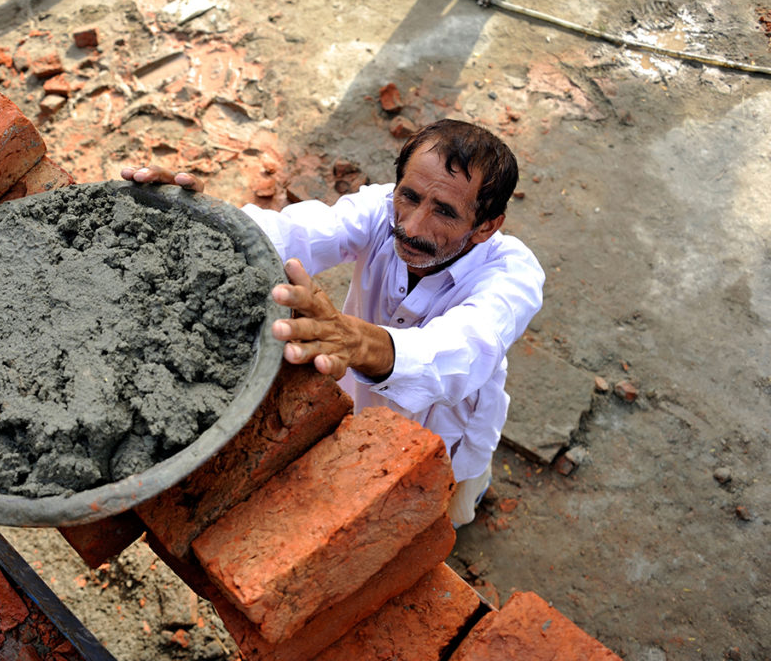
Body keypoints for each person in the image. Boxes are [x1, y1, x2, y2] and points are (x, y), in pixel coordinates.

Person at [121, 119, 544, 525]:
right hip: (358, 400)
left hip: (449, 431)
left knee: (445, 507)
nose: (412, 226)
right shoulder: (380, 211)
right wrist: (205, 223)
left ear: (486, 227)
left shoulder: (513, 276)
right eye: (410, 197)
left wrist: (356, 342)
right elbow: (293, 233)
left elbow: (462, 352)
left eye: (445, 212)